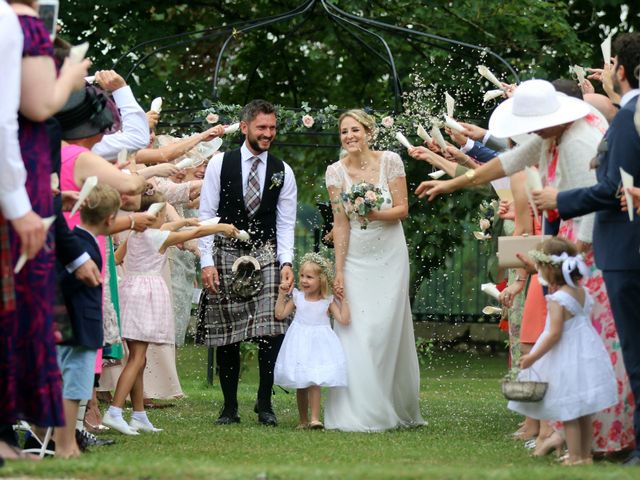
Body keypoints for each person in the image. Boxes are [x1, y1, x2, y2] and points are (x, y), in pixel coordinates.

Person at [417, 79, 634, 455]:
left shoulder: (579, 140)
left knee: (586, 349)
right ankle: (569, 435)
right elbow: (506, 162)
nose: (530, 132)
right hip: (565, 247)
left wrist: (565, 265)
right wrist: (451, 186)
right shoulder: (552, 134)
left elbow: (589, 217)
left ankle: (601, 439)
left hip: (585, 256)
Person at [534, 33, 640, 466]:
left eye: (612, 61)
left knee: (632, 353)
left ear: (620, 70)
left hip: (623, 250)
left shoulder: (629, 116)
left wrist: (561, 200)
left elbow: (614, 188)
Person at [103, 195, 240, 434]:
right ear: (154, 216)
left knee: (139, 357)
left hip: (130, 291)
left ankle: (139, 415)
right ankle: (114, 411)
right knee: (136, 359)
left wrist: (193, 220)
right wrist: (220, 227)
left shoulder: (136, 234)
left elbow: (117, 258)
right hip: (146, 295)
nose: (166, 218)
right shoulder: (159, 237)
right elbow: (190, 236)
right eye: (163, 213)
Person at [324, 109, 425, 432]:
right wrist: (338, 271)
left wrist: (371, 213)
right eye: (344, 132)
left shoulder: (390, 161)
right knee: (358, 330)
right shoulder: (335, 173)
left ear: (368, 132)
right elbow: (340, 224)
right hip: (355, 259)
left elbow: (402, 209)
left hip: (390, 254)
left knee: (384, 330)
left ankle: (391, 402)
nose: (350, 136)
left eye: (355, 130)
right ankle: (361, 409)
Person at [198, 99, 297, 426]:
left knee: (273, 328)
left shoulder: (283, 171)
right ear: (245, 128)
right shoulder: (219, 164)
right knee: (228, 333)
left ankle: (264, 402)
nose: (268, 133)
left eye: (272, 128)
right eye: (262, 128)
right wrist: (206, 262)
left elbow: (285, 223)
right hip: (226, 250)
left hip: (267, 254)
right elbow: (206, 217)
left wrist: (287, 262)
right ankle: (229, 407)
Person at [508, 237, 617, 465]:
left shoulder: (558, 298)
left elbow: (554, 333)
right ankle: (585, 454)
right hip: (587, 353)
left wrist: (532, 357)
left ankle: (575, 456)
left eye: (539, 270)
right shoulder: (582, 292)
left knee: (569, 410)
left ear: (549, 269)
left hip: (568, 356)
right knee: (584, 410)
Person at [54, 184, 121, 458]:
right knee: (73, 390)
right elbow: (63, 284)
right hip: (78, 327)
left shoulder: (79, 240)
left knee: (75, 388)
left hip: (77, 327)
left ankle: (65, 443)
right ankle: (65, 446)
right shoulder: (83, 248)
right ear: (109, 219)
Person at [273, 253, 349, 429]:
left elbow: (344, 319)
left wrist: (344, 300)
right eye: (302, 276)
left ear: (321, 280)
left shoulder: (327, 301)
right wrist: (281, 295)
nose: (304, 280)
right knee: (302, 383)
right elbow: (280, 314)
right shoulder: (298, 297)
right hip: (299, 342)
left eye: (309, 277)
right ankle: (302, 420)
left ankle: (315, 418)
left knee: (315, 380)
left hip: (319, 345)